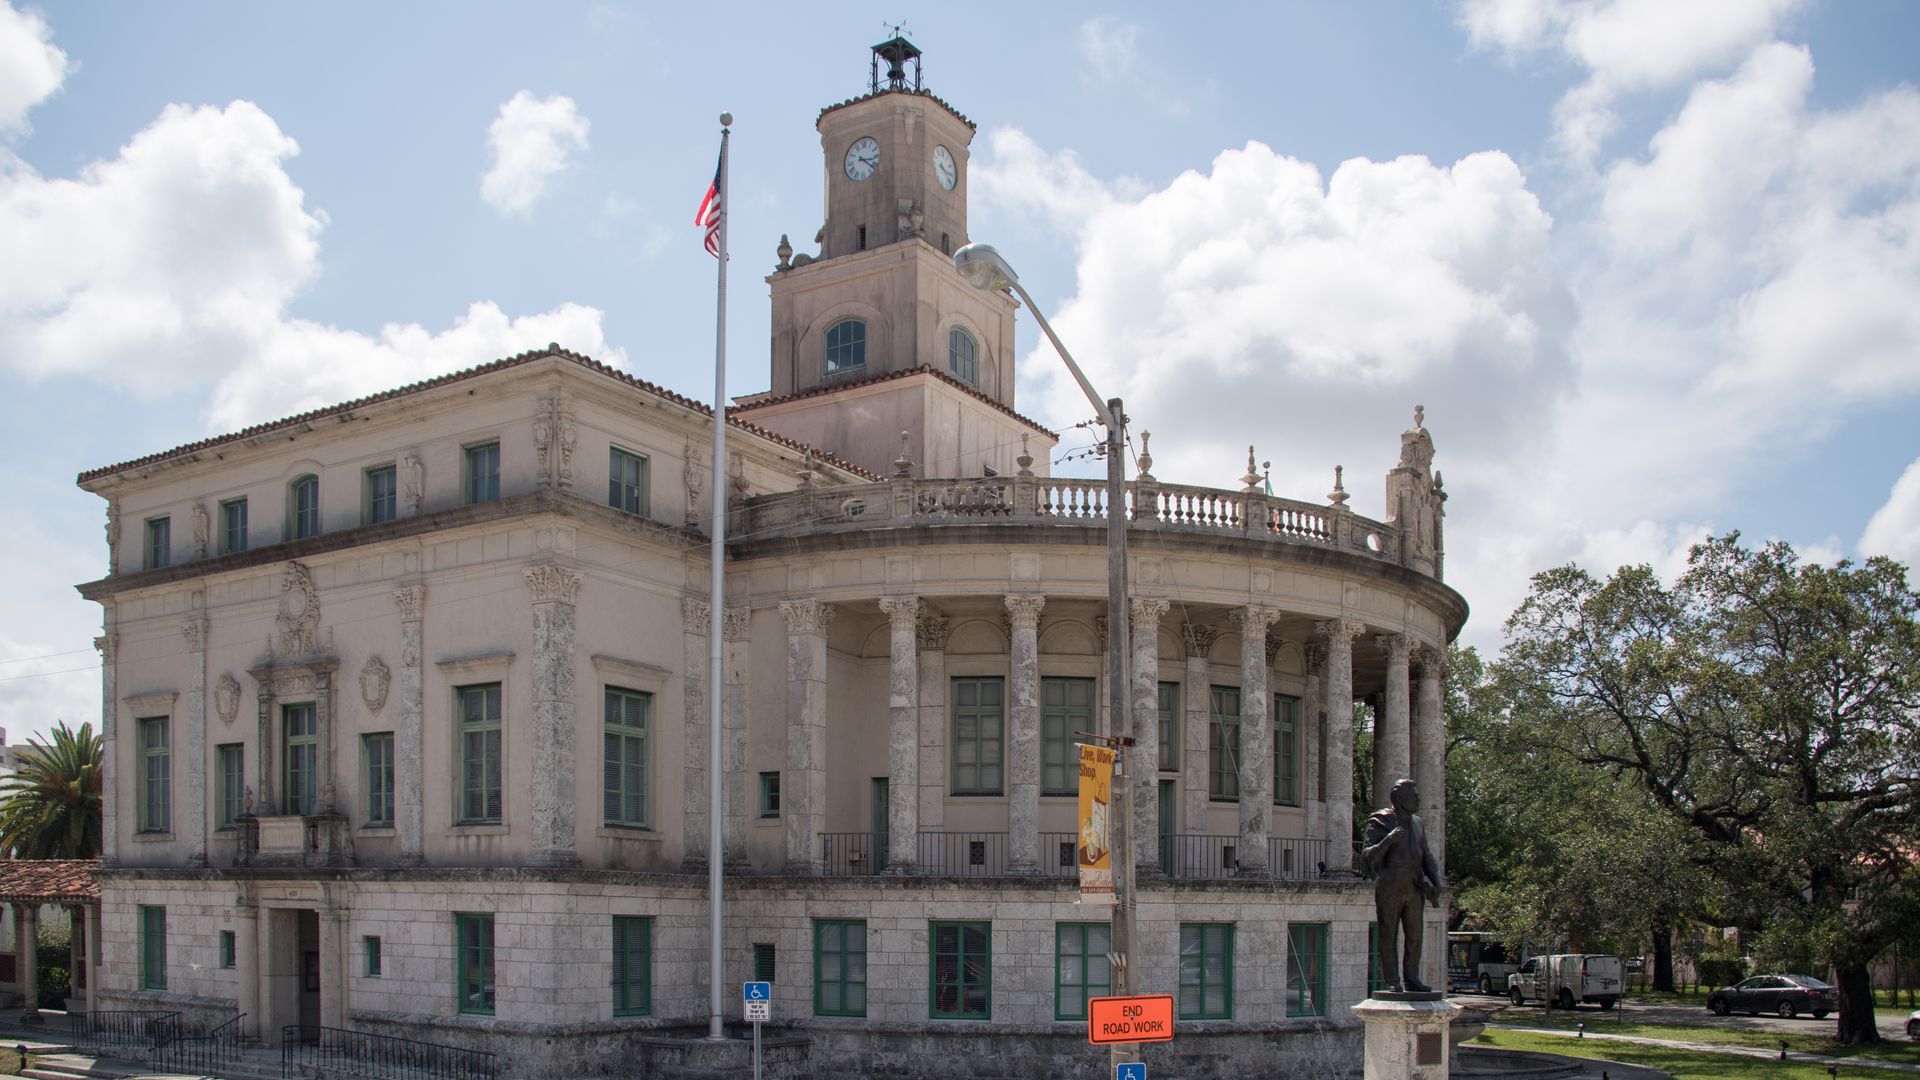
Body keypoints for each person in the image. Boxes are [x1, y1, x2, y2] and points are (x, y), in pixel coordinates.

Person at [1362, 777, 1445, 993]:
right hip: (1390, 884)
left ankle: (1412, 978)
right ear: (1400, 798)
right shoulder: (1380, 820)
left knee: (1415, 934)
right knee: (1388, 933)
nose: (1418, 798)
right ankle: (1392, 981)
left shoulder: (1417, 823)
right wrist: (1389, 840)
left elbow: (1427, 856)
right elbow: (1367, 856)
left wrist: (1437, 883)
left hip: (1414, 885)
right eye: (1414, 795)